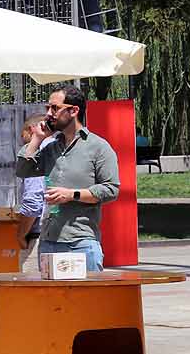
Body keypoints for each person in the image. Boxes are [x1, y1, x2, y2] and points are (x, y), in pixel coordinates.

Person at [14, 84, 120, 272]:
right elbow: (23, 169)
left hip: (81, 241)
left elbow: (111, 189)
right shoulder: (51, 147)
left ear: (73, 110)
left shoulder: (98, 147)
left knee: (87, 299)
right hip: (49, 242)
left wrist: (72, 195)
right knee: (52, 301)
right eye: (48, 108)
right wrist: (37, 139)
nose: (48, 114)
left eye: (54, 108)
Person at [16, 115, 49, 272]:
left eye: (22, 135)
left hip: (37, 238)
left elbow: (32, 201)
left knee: (31, 292)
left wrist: (21, 235)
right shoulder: (59, 151)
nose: (22, 140)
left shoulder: (35, 154)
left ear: (31, 130)